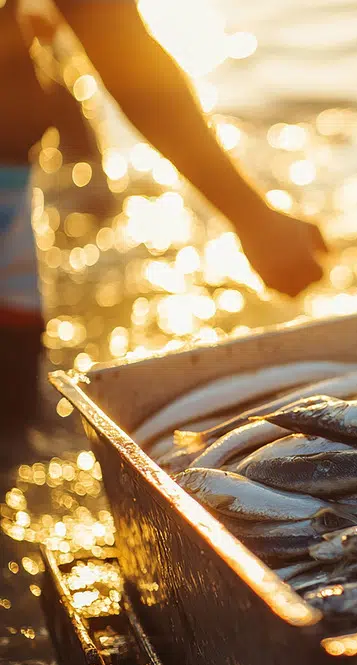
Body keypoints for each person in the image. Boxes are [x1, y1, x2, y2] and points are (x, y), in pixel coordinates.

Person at [0, 1, 327, 435]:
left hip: (11, 188)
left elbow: (109, 32)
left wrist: (252, 217)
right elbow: (114, 39)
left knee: (13, 420)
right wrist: (253, 218)